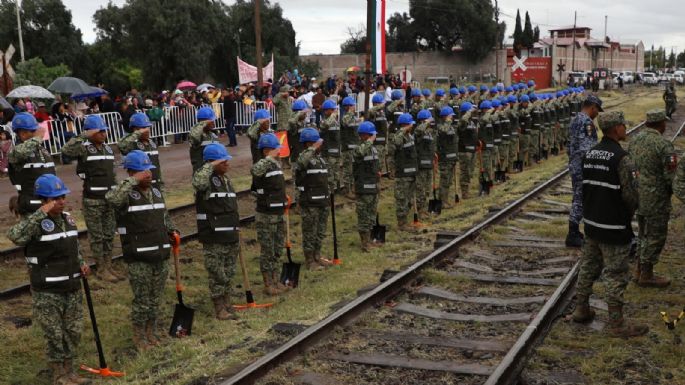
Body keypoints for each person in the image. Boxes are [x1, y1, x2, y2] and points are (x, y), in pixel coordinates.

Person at [7, 174, 92, 385]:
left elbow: (73, 246)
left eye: (62, 196)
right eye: (56, 198)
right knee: (54, 334)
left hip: (71, 286)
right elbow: (15, 236)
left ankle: (70, 371)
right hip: (47, 291)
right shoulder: (34, 223)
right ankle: (59, 375)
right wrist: (39, 214)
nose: (61, 201)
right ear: (44, 200)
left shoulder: (67, 220)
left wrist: (81, 262)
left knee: (73, 331)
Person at [572, 111, 647, 338]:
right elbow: (632, 196)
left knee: (588, 267)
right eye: (623, 125)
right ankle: (616, 323)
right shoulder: (621, 158)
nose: (625, 128)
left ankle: (581, 309)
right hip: (614, 227)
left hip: (593, 223)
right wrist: (627, 214)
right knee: (615, 274)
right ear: (616, 129)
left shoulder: (590, 154)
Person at [106, 150, 178, 351]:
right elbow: (111, 198)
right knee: (142, 300)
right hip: (139, 257)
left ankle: (152, 333)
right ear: (130, 173)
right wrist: (131, 181)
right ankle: (140, 337)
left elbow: (164, 216)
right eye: (142, 170)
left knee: (156, 299)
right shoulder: (125, 194)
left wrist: (172, 230)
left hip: (160, 253)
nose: (148, 174)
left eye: (149, 169)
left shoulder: (155, 192)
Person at [61, 115, 121, 283]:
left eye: (104, 131)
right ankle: (101, 268)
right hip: (93, 200)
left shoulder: (109, 149)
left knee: (109, 234)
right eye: (99, 131)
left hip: (109, 199)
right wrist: (83, 136)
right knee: (97, 236)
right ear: (90, 132)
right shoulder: (84, 149)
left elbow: (112, 175)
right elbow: (66, 150)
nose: (103, 134)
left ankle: (108, 265)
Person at [192, 143, 240, 320]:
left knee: (228, 272)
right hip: (213, 237)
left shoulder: (225, 180)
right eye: (223, 161)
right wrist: (210, 165)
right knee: (217, 273)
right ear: (212, 163)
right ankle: (219, 307)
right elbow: (197, 182)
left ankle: (227, 303)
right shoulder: (205, 180)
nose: (227, 163)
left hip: (230, 235)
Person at [628, 109, 675, 287]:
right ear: (661, 124)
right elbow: (670, 176)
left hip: (638, 196)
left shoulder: (635, 141)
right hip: (657, 200)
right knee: (656, 236)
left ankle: (639, 270)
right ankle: (647, 274)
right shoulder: (663, 145)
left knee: (643, 234)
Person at [251, 133, 289, 295]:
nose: (279, 152)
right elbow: (255, 170)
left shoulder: (275, 165)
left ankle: (276, 279)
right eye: (276, 150)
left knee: (277, 248)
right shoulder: (262, 164)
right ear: (267, 150)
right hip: (266, 215)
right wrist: (268, 157)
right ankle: (268, 284)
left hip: (279, 212)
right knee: (268, 250)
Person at [566, 95, 603, 247]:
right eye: (597, 110)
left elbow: (570, 145)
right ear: (592, 107)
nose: (597, 114)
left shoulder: (575, 119)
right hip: (582, 165)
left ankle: (575, 231)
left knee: (578, 196)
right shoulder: (586, 122)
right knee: (580, 198)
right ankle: (572, 233)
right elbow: (587, 149)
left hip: (575, 163)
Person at [295, 128, 333, 267]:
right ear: (309, 143)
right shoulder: (303, 158)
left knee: (320, 231)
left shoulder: (320, 159)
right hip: (309, 202)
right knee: (310, 232)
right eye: (316, 142)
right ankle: (309, 260)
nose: (320, 144)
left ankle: (317, 255)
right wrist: (313, 148)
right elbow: (300, 163)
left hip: (323, 201)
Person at [8, 113, 56, 217]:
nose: (38, 132)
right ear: (23, 134)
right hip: (32, 208)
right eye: (34, 131)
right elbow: (21, 152)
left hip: (50, 204)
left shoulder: (43, 150)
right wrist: (37, 138)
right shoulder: (15, 152)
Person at [353, 121, 382, 251]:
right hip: (363, 188)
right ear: (364, 135)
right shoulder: (358, 148)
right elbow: (359, 154)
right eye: (370, 135)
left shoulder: (373, 149)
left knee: (371, 215)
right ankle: (364, 243)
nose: (373, 137)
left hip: (373, 186)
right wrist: (370, 141)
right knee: (364, 216)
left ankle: (370, 239)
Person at [118, 112, 164, 190]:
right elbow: (121, 145)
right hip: (141, 187)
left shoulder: (152, 143)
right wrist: (138, 133)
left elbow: (157, 165)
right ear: (135, 129)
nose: (147, 130)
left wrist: (161, 182)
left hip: (156, 185)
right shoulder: (132, 144)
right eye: (143, 128)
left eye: (148, 127)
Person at [392, 113, 418, 231]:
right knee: (402, 199)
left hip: (411, 173)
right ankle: (401, 224)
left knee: (408, 199)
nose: (412, 126)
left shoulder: (410, 136)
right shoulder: (399, 135)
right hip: (402, 174)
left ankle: (405, 221)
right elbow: (397, 143)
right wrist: (403, 130)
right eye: (410, 125)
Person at [414, 109, 435, 220]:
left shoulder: (429, 132)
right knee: (420, 189)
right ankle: (420, 210)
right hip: (421, 165)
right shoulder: (418, 131)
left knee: (428, 189)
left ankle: (426, 209)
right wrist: (426, 122)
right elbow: (418, 131)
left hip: (429, 164)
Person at [318, 99, 341, 193]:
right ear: (326, 111)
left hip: (336, 152)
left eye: (334, 110)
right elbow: (326, 125)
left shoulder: (335, 121)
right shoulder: (323, 122)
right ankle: (329, 194)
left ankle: (335, 192)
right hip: (328, 153)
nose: (334, 112)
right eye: (331, 110)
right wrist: (333, 116)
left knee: (336, 174)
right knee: (329, 176)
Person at [340, 96, 360, 198]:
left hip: (355, 147)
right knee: (348, 170)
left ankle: (352, 188)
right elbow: (345, 122)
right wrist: (350, 112)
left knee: (354, 170)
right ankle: (347, 190)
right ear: (348, 107)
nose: (354, 107)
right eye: (352, 105)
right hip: (347, 148)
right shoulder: (345, 117)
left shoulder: (353, 117)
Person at [457, 102, 477, 199]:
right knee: (465, 172)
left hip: (472, 150)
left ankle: (467, 190)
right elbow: (463, 120)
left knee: (470, 171)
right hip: (464, 151)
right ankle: (464, 192)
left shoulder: (472, 122)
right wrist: (469, 111)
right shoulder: (462, 122)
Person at [189, 106, 218, 172]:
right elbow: (194, 136)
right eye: (211, 121)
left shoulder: (212, 134)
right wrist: (203, 124)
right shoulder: (197, 134)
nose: (213, 123)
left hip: (212, 169)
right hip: (201, 170)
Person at [367, 93, 389, 174]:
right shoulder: (373, 112)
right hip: (376, 143)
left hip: (382, 143)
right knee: (376, 164)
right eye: (380, 103)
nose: (382, 105)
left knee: (380, 165)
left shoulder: (382, 113)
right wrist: (381, 106)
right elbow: (370, 110)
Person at [477, 100, 495, 182]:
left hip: (490, 145)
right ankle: (485, 181)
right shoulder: (481, 118)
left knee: (491, 164)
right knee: (485, 165)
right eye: (486, 109)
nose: (488, 111)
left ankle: (490, 179)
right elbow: (484, 120)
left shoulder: (490, 118)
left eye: (489, 109)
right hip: (484, 146)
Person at [288, 100, 309, 166]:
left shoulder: (303, 123)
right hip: (296, 156)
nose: (306, 115)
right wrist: (299, 113)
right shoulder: (293, 124)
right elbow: (291, 122)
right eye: (304, 113)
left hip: (302, 154)